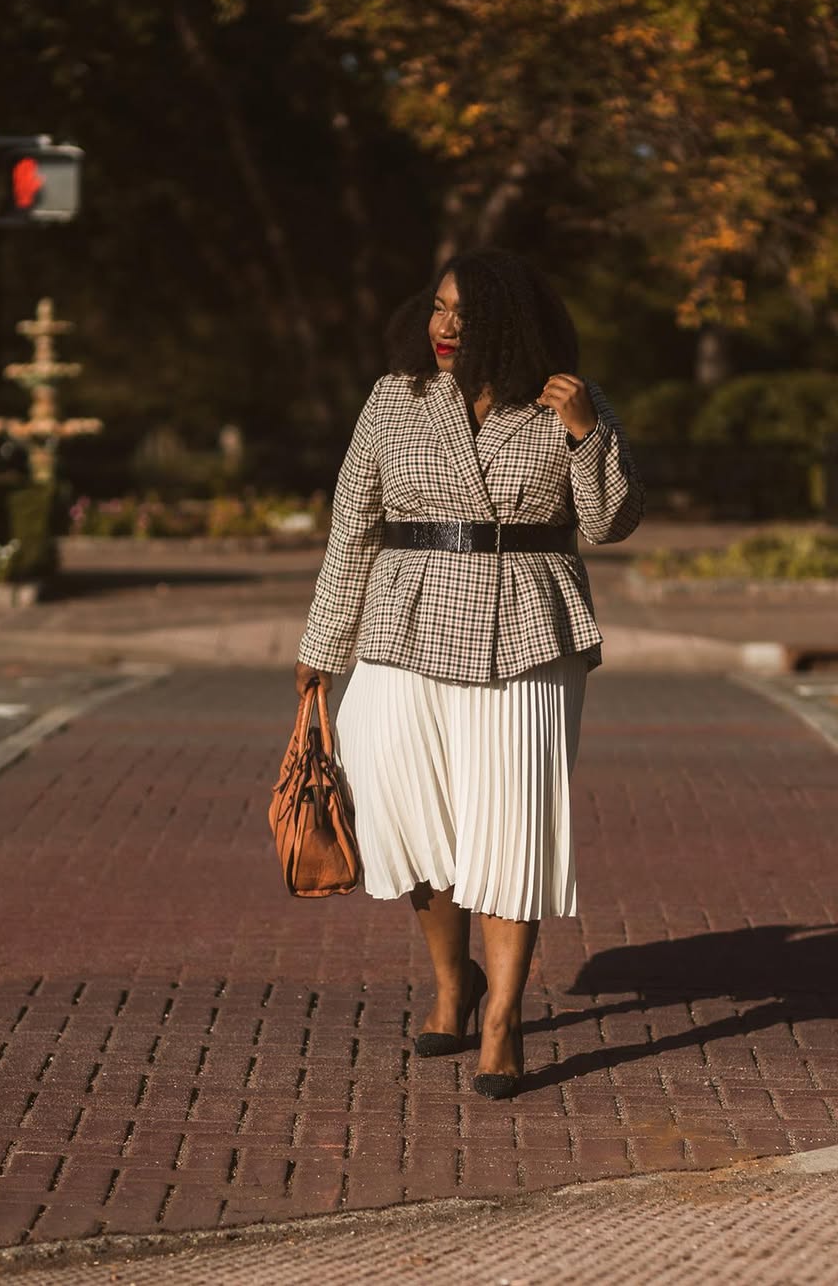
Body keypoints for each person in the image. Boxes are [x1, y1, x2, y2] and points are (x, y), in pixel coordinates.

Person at [295, 247, 642, 1098]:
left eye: (466, 313)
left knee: (511, 828)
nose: (446, 326)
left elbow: (610, 523)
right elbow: (352, 528)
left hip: (528, 626)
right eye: (439, 307)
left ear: (510, 325)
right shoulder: (393, 397)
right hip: (401, 623)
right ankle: (456, 983)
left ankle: (503, 1019)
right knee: (408, 823)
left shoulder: (570, 403)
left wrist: (587, 435)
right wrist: (320, 652)